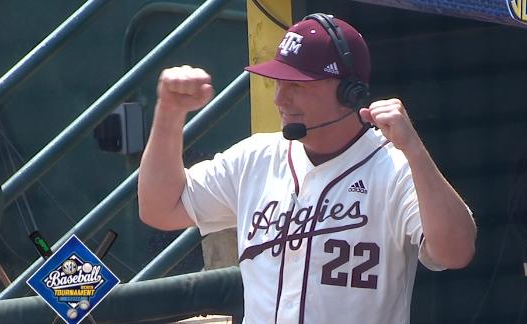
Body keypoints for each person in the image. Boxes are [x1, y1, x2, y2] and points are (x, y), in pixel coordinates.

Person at [138, 13, 477, 324]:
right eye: (278, 83)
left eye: (296, 86)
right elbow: (161, 209)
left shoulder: (393, 168)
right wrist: (169, 113)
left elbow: (457, 252)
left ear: (349, 91)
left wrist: (416, 152)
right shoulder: (256, 157)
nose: (280, 99)